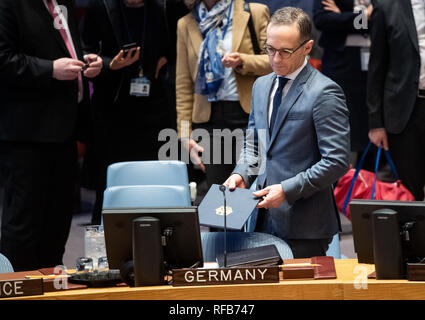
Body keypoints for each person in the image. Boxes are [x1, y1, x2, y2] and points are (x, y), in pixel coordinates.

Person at [224, 7, 350, 258]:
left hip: (304, 226)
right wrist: (241, 174)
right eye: (270, 49)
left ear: (307, 47)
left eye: (285, 51)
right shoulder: (260, 86)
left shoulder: (325, 92)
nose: (276, 59)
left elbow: (336, 162)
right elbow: (255, 146)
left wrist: (287, 189)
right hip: (259, 216)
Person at [0, 0, 102, 271]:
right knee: (23, 227)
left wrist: (87, 60)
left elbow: (65, 48)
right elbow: (3, 61)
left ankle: (50, 281)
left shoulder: (62, 4)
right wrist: (50, 70)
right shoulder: (9, 5)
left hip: (66, 131)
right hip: (27, 135)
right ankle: (16, 287)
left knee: (57, 224)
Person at [80, 0, 172, 224]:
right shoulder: (99, 7)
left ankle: (151, 245)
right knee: (110, 187)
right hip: (111, 111)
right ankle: (104, 247)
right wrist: (111, 64)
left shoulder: (160, 9)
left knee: (148, 185)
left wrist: (168, 56)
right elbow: (83, 54)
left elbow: (175, 41)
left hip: (151, 112)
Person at [176, 0, 272, 188]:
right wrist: (185, 134)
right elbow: (184, 84)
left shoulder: (255, 12)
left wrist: (243, 61)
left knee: (253, 189)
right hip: (209, 119)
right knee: (218, 196)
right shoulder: (186, 24)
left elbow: (275, 61)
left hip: (248, 115)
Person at [367, 0, 425, 201]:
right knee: (410, 189)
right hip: (404, 112)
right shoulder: (386, 6)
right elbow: (376, 67)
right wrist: (376, 123)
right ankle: (416, 232)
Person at [314, 0, 374, 169]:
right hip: (340, 66)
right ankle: (334, 179)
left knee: (370, 126)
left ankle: (366, 183)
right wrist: (364, 17)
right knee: (338, 122)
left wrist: (343, 17)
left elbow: (383, 20)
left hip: (374, 65)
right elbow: (323, 20)